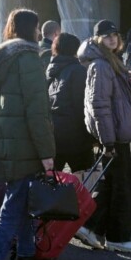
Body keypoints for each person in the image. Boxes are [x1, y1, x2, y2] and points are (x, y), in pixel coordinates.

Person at [0, 8, 55, 260]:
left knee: (21, 206)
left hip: (6, 145)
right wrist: (47, 154)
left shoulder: (0, 61)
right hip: (24, 147)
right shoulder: (29, 58)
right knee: (12, 208)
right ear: (32, 30)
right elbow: (37, 110)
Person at [76, 19, 131, 253]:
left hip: (116, 135)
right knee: (122, 189)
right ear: (97, 39)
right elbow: (99, 104)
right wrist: (108, 140)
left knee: (111, 186)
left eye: (114, 34)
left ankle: (91, 227)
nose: (112, 38)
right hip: (114, 137)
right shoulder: (102, 65)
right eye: (106, 36)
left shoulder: (109, 61)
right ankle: (117, 237)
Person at [46, 33, 94, 172]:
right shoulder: (78, 70)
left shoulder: (50, 70)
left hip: (54, 134)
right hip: (76, 135)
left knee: (53, 180)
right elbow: (81, 105)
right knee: (83, 180)